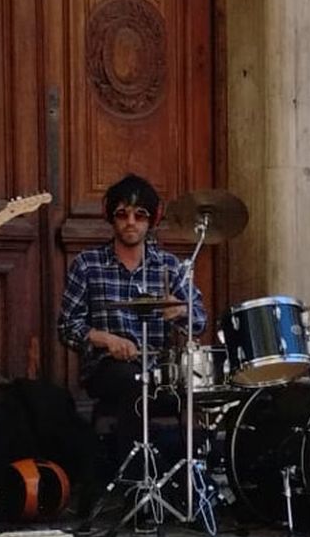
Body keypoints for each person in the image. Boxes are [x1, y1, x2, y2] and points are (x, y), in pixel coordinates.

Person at [57, 174, 207, 461]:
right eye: (122, 214)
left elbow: (200, 321)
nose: (131, 222)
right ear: (110, 217)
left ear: (153, 220)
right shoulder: (88, 265)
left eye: (140, 215)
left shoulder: (169, 266)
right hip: (108, 368)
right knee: (132, 382)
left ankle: (193, 481)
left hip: (161, 367)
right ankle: (135, 478)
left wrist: (182, 311)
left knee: (196, 388)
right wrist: (105, 339)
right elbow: (66, 326)